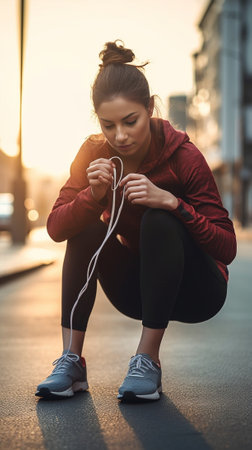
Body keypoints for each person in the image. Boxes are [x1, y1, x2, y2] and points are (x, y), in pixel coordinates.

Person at [35, 40, 236, 402]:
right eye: (108, 125)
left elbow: (227, 246)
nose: (120, 136)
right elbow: (56, 228)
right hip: (137, 291)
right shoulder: (94, 153)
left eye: (131, 121)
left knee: (159, 219)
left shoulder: (184, 156)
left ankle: (147, 360)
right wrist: (92, 197)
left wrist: (174, 204)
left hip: (199, 291)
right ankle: (71, 359)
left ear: (150, 108)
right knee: (85, 224)